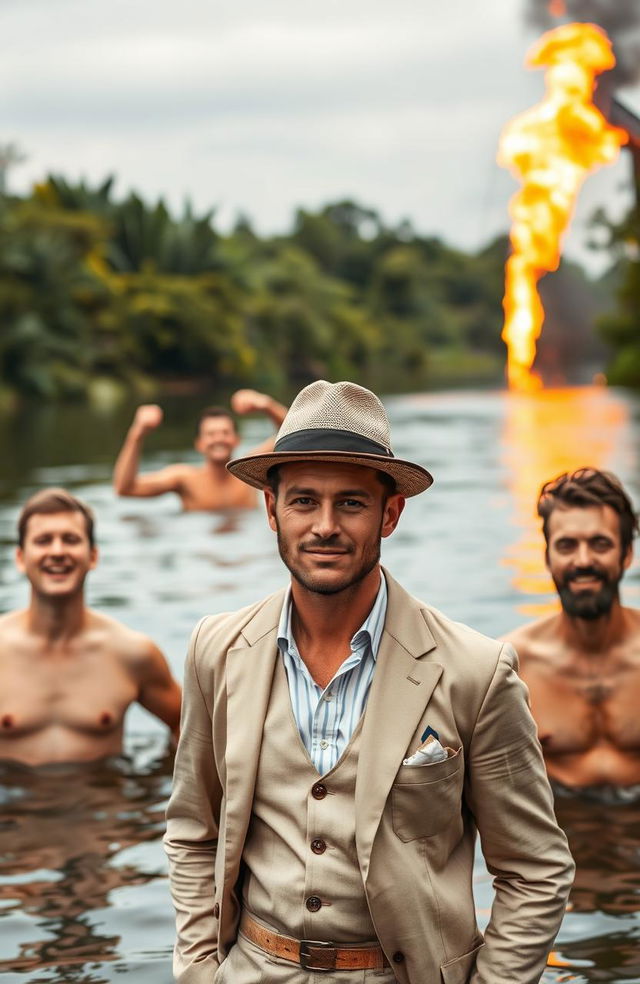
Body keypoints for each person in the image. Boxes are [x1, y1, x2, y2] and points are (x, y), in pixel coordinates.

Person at [164, 380, 573, 984]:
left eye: (351, 503)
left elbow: (535, 869)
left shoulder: (474, 671)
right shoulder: (217, 651)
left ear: (390, 513)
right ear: (271, 509)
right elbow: (193, 831)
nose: (324, 526)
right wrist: (200, 971)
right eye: (303, 500)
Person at [0, 488, 181, 765]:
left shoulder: (131, 653)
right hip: (16, 806)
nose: (57, 551)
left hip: (106, 804)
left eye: (70, 540)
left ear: (93, 556)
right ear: (21, 558)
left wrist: (156, 795)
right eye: (43, 541)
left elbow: (189, 728)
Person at [503, 467, 640, 791]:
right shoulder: (511, 669)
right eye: (567, 545)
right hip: (563, 834)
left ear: (626, 555)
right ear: (548, 557)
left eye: (600, 544)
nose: (582, 561)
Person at [113, 389, 288, 511]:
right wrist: (137, 433)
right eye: (211, 434)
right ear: (199, 444)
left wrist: (266, 404)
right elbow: (126, 488)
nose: (219, 438)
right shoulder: (185, 479)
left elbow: (293, 434)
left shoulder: (250, 469)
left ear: (236, 440)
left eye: (225, 433)